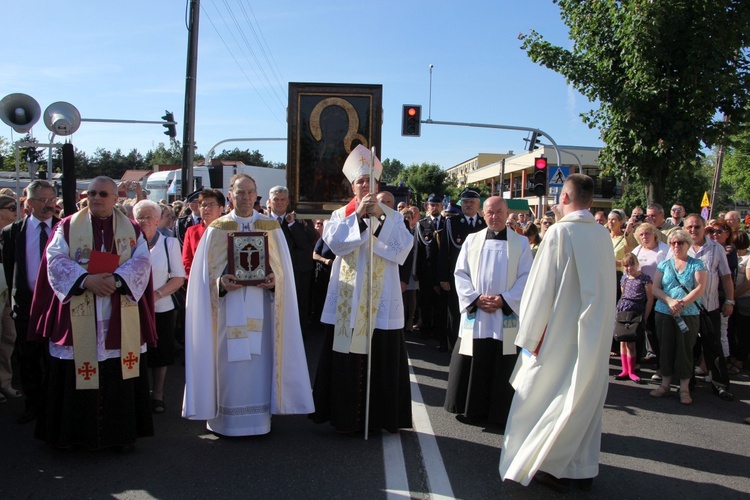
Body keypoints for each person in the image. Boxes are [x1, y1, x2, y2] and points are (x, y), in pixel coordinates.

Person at [499, 174, 616, 493]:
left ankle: (547, 465)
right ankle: (580, 468)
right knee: (582, 398)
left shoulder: (559, 233)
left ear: (565, 197)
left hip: (558, 337)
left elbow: (539, 290)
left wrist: (529, 337)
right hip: (593, 337)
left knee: (542, 396)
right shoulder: (603, 236)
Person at [28, 176, 157, 451]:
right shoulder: (67, 226)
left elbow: (143, 262)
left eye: (102, 193)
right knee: (75, 373)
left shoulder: (131, 228)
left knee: (116, 373)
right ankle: (73, 438)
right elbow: (55, 259)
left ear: (115, 198)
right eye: (92, 193)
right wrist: (86, 280)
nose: (96, 198)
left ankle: (118, 437)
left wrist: (118, 281)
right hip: (79, 308)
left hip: (118, 310)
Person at [182, 174, 313, 436]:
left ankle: (259, 421)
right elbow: (202, 278)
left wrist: (275, 282)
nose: (245, 197)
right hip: (226, 309)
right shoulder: (217, 229)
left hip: (263, 306)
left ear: (256, 195)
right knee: (229, 365)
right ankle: (225, 421)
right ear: (230, 195)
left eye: (250, 192)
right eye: (240, 192)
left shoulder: (270, 227)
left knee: (259, 363)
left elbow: (284, 271)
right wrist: (220, 283)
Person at [311, 145, 413, 433]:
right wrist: (357, 218)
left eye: (370, 180)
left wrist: (378, 219)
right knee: (345, 359)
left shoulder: (392, 217)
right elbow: (336, 245)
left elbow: (402, 250)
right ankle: (344, 418)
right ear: (352, 186)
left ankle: (382, 418)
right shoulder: (339, 215)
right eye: (360, 181)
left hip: (381, 300)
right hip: (350, 299)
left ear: (377, 184)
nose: (365, 185)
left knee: (382, 359)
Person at [443, 196, 532, 429]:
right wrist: (475, 298)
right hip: (478, 312)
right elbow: (460, 273)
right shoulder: (472, 240)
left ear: (507, 212)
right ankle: (470, 408)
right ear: (483, 214)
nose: (494, 216)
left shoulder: (521, 243)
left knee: (503, 361)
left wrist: (505, 300)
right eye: (490, 212)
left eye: (499, 212)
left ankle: (499, 412)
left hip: (505, 314)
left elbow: (527, 278)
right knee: (474, 356)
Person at [2, 180, 61, 423]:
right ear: (29, 203)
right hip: (26, 306)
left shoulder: (63, 229)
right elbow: (9, 268)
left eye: (51, 199)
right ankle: (33, 404)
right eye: (43, 200)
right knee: (28, 359)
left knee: (55, 358)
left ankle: (54, 405)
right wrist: (18, 297)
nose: (49, 205)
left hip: (57, 306)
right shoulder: (13, 232)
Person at [133, 200, 185, 414]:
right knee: (136, 353)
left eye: (148, 217)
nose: (144, 221)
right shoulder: (129, 243)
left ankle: (159, 394)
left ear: (157, 218)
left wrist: (155, 295)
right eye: (139, 218)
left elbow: (178, 278)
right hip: (132, 308)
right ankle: (139, 393)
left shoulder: (169, 244)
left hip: (160, 307)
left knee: (160, 352)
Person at [650, 230, 706, 405]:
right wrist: (670, 301)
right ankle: (665, 385)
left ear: (688, 244)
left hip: (688, 314)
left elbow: (700, 288)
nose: (676, 246)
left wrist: (682, 303)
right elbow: (656, 288)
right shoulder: (664, 265)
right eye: (673, 243)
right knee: (665, 347)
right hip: (664, 312)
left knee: (685, 350)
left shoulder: (697, 265)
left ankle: (684, 389)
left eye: (680, 243)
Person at [684, 214, 735, 401]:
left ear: (704, 227)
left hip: (710, 306)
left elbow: (726, 277)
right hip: (687, 309)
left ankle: (720, 385)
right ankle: (688, 383)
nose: (693, 230)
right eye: (689, 227)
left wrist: (729, 301)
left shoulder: (716, 248)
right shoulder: (680, 246)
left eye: (697, 226)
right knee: (688, 348)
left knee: (713, 348)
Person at [438, 189, 486, 352]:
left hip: (480, 278)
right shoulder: (452, 223)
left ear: (478, 204)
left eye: (472, 202)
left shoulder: (484, 223)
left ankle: (475, 348)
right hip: (458, 277)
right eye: (465, 202)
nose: (468, 205)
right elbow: (444, 251)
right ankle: (455, 350)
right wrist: (443, 277)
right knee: (456, 313)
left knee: (479, 314)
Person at [268, 185, 316, 328]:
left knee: (298, 306)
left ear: (288, 201)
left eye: (283, 199)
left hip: (297, 272)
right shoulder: (261, 220)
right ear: (269, 201)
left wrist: (292, 225)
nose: (279, 203)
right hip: (271, 272)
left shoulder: (299, 219)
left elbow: (306, 244)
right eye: (276, 199)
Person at [631, 223, 670, 372]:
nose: (644, 237)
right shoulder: (637, 250)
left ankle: (662, 367)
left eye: (647, 233)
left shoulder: (665, 250)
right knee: (641, 329)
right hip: (641, 297)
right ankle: (637, 364)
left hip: (659, 296)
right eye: (641, 234)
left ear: (654, 234)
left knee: (658, 332)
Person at [415, 194, 448, 349]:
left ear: (442, 206)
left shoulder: (447, 223)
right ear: (427, 206)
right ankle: (426, 329)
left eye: (437, 204)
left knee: (441, 305)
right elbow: (418, 249)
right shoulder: (421, 224)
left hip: (442, 270)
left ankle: (439, 331)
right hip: (426, 271)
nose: (434, 207)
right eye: (431, 205)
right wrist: (415, 270)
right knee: (426, 303)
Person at [614, 253, 653, 383]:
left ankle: (632, 370)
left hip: (636, 312)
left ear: (636, 264)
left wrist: (645, 316)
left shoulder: (644, 279)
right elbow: (622, 294)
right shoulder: (624, 279)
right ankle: (624, 369)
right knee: (622, 340)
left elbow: (650, 299)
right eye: (626, 266)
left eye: (631, 265)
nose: (629, 268)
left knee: (631, 342)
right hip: (623, 311)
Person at [707, 218, 737, 359]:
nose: (715, 234)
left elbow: (727, 277)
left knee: (720, 333)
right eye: (712, 231)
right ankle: (705, 363)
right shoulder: (709, 248)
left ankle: (721, 364)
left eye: (719, 231)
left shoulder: (729, 251)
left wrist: (729, 301)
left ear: (727, 234)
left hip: (721, 296)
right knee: (708, 333)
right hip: (708, 296)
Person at [0, 195, 20, 403]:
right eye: (10, 207)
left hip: (7, 294)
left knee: (8, 338)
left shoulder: (13, 233)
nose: (16, 210)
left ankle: (5, 382)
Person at [181, 189, 225, 280]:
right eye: (203, 205)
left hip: (223, 283)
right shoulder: (191, 231)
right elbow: (186, 260)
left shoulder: (228, 231)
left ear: (221, 209)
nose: (207, 208)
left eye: (212, 204)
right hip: (197, 281)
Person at [730, 230, 750, 374]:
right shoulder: (732, 256)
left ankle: (740, 361)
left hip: (744, 299)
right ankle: (732, 356)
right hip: (733, 298)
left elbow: (749, 282)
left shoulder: (748, 258)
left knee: (743, 332)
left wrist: (733, 295)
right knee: (731, 330)